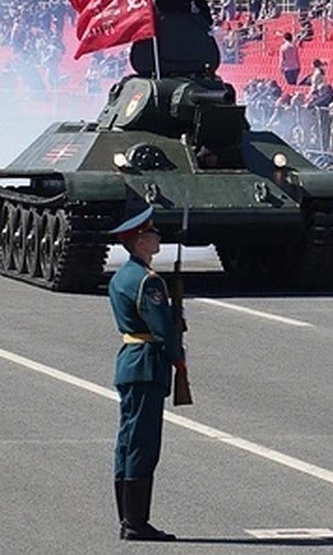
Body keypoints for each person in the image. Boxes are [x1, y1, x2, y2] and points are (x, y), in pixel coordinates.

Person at [108, 206, 184, 542]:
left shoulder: (123, 276)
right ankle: (135, 523)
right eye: (151, 233)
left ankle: (129, 518)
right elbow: (162, 330)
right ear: (139, 242)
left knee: (127, 442)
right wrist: (177, 355)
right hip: (147, 364)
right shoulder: (148, 281)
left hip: (131, 360)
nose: (157, 237)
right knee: (142, 444)